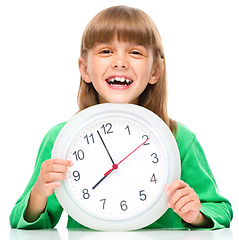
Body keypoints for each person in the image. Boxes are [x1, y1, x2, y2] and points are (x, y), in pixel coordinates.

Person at [10, 5, 232, 230]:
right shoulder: (61, 138)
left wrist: (195, 214)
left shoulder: (178, 138)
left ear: (155, 71)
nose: (120, 62)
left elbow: (220, 209)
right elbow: (23, 222)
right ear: (84, 69)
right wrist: (39, 193)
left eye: (135, 52)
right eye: (106, 51)